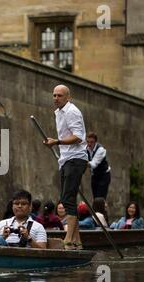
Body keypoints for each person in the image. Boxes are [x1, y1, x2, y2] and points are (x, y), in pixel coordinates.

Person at [43, 84, 88, 250]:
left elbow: (78, 137)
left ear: (68, 97)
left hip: (76, 159)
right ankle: (77, 240)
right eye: (54, 95)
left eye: (59, 95)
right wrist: (53, 143)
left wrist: (58, 141)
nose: (56, 98)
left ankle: (68, 239)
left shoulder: (72, 111)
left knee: (67, 199)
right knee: (68, 198)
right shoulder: (59, 112)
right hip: (66, 159)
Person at [86, 132, 111, 199]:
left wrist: (82, 162)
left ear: (95, 142)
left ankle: (101, 209)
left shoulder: (101, 150)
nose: (89, 144)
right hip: (94, 175)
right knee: (95, 198)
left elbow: (93, 164)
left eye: (91, 142)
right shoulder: (86, 149)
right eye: (88, 142)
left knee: (100, 198)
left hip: (103, 176)